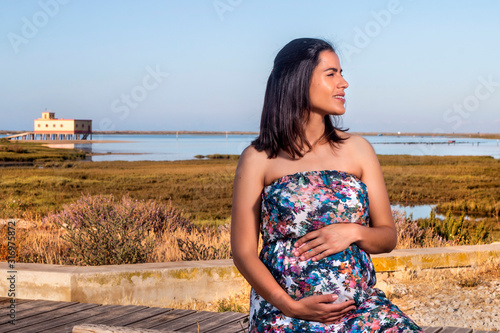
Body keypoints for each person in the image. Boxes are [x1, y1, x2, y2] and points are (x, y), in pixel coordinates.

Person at [231, 38, 423, 332]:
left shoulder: (358, 150)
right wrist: (289, 305)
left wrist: (353, 232)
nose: (343, 83)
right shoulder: (257, 158)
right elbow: (243, 252)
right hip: (286, 312)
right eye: (331, 74)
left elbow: (387, 237)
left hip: (360, 309)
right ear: (297, 80)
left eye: (341, 73)